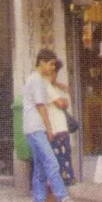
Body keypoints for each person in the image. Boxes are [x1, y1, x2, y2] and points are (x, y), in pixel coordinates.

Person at [23, 49, 75, 202]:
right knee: (52, 163)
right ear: (42, 62)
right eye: (51, 64)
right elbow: (41, 106)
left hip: (32, 129)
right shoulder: (37, 80)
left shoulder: (34, 79)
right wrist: (49, 128)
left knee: (40, 168)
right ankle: (64, 200)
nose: (53, 68)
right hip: (37, 129)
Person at [44, 58, 74, 187]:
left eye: (55, 72)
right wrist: (62, 100)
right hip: (55, 128)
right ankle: (62, 183)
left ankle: (66, 180)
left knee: (64, 155)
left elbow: (67, 99)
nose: (53, 75)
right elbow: (62, 103)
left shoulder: (56, 87)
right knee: (59, 157)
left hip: (61, 127)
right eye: (51, 72)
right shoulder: (46, 87)